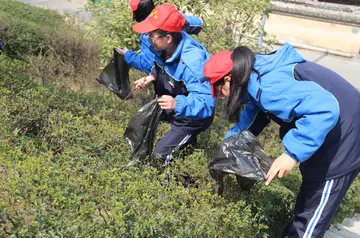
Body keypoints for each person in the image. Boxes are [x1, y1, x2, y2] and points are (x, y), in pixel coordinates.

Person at [201, 43, 360, 238]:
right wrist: (227, 147)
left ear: (228, 78)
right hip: (328, 129)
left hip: (344, 136)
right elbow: (255, 112)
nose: (219, 96)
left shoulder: (268, 85)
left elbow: (324, 109)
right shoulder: (255, 75)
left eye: (218, 89)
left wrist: (291, 155)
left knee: (311, 217)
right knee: (307, 202)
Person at [131, 3, 215, 163]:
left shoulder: (192, 62)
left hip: (192, 116)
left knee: (160, 156)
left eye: (151, 36)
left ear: (168, 38)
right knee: (143, 129)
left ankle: (175, 183)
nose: (149, 40)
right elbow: (165, 66)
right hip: (178, 105)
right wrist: (150, 77)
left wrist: (177, 103)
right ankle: (187, 149)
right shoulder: (165, 49)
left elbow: (206, 103)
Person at [115, 0, 203, 74]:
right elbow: (197, 24)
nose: (150, 37)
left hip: (172, 79)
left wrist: (127, 54)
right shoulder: (169, 16)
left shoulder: (148, 34)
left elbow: (148, 65)